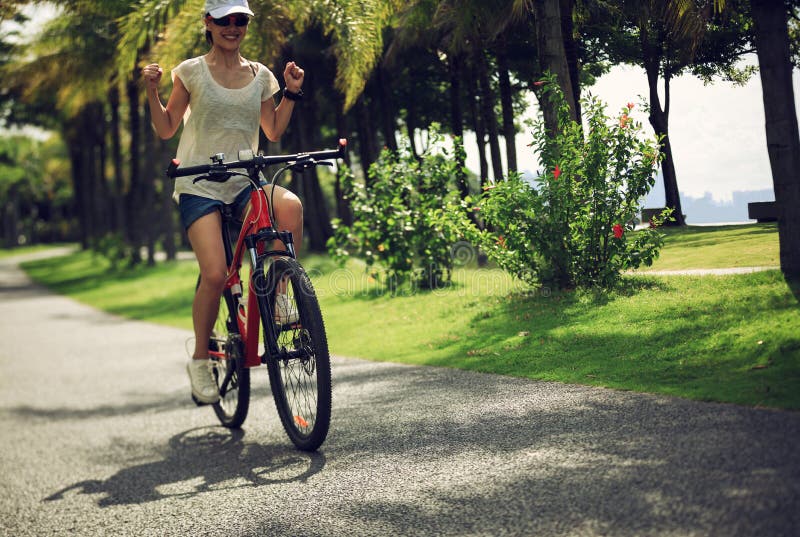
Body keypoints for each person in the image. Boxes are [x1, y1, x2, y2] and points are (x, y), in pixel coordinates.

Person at [142, 0, 305, 404]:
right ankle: (200, 358)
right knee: (214, 274)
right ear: (209, 24)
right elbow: (165, 129)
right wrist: (151, 89)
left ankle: (281, 293)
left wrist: (291, 92)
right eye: (224, 20)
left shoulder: (261, 75)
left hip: (246, 181)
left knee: (291, 207)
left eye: (240, 21)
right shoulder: (192, 72)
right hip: (199, 184)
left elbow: (273, 129)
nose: (233, 27)